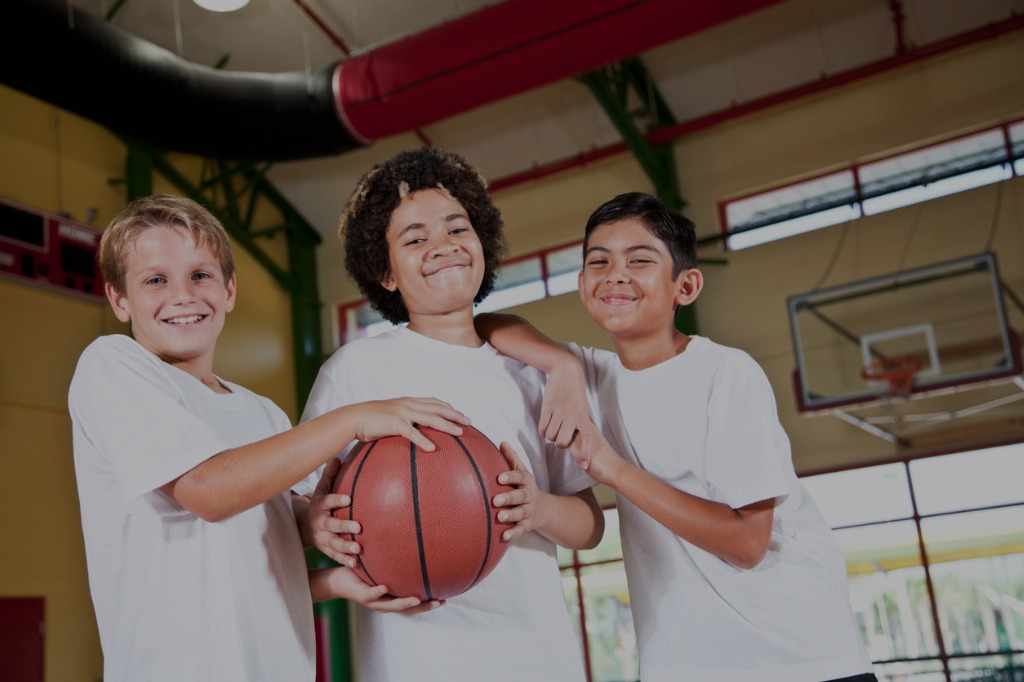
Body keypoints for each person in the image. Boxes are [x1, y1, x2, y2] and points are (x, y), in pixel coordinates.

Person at [477, 192, 878, 682]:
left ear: (684, 286)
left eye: (640, 260)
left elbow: (747, 542)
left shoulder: (726, 373)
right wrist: (559, 364)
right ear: (583, 286)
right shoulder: (594, 376)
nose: (616, 274)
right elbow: (491, 323)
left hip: (795, 656)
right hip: (682, 661)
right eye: (598, 262)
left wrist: (613, 468)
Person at [68, 194, 470, 682]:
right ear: (119, 299)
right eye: (155, 280)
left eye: (201, 275)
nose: (183, 294)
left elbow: (262, 556)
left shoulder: (263, 413)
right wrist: (351, 419)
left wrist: (335, 566)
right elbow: (209, 492)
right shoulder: (112, 365)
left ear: (229, 290)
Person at [301, 147, 604, 682]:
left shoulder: (531, 373)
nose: (442, 246)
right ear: (385, 273)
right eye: (414, 238)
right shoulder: (355, 370)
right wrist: (317, 524)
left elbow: (590, 525)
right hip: (415, 660)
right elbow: (301, 505)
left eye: (457, 228)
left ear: (481, 242)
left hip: (538, 655)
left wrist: (536, 508)